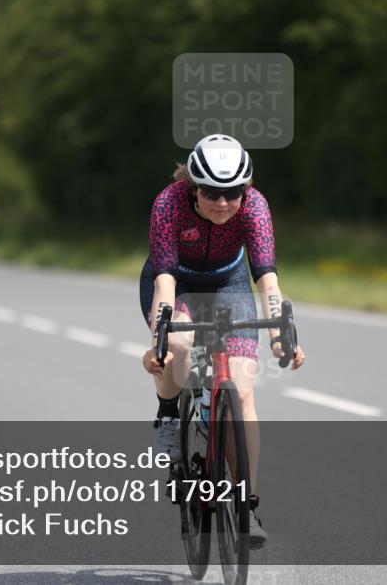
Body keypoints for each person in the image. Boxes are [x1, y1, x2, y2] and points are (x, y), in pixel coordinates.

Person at [138, 134, 306, 547]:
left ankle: (247, 504)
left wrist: (281, 332)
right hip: (176, 282)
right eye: (212, 192)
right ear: (194, 186)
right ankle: (168, 411)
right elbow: (163, 280)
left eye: (233, 192)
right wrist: (161, 337)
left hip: (230, 283)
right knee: (178, 348)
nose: (224, 202)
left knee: (244, 393)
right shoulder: (168, 204)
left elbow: (267, 278)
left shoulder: (256, 206)